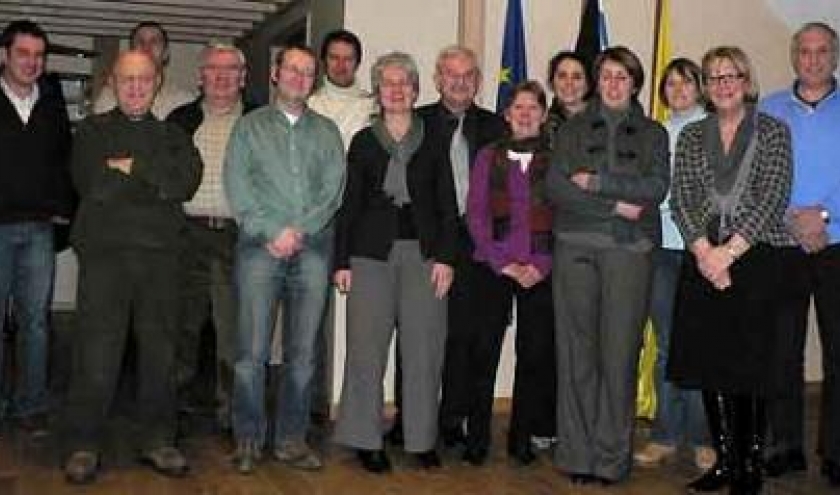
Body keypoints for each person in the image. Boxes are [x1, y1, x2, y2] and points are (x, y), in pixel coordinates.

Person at [62, 49, 203, 484]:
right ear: (113, 83)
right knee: (95, 352)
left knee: (160, 354)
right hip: (105, 258)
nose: (136, 87)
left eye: (144, 79)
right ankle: (83, 443)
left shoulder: (174, 135)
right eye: (127, 79)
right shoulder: (91, 131)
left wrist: (132, 167)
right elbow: (94, 184)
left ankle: (158, 440)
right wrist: (153, 182)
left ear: (157, 82)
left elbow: (185, 182)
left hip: (161, 260)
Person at [668, 46, 792, 495]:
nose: (722, 85)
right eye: (713, 77)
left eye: (730, 75)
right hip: (702, 258)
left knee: (750, 365)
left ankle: (749, 465)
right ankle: (724, 461)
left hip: (755, 259)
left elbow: (773, 196)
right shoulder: (690, 136)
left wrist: (729, 254)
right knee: (711, 362)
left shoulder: (773, 131)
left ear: (746, 80)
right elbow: (681, 198)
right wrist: (706, 252)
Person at [546, 46, 669, 485]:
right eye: (607, 76)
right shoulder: (572, 128)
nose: (614, 84)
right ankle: (576, 455)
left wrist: (597, 183)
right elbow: (557, 187)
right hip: (574, 248)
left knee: (619, 356)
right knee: (576, 355)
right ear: (596, 83)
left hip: (630, 252)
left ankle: (611, 460)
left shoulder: (653, 133)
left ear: (635, 83)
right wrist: (615, 204)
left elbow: (655, 188)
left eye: (623, 76)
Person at [332, 51, 456, 474]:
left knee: (424, 351)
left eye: (404, 82)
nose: (397, 90)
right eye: (388, 83)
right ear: (378, 91)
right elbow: (349, 205)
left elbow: (447, 205)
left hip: (424, 255)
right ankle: (365, 439)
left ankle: (421, 439)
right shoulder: (364, 142)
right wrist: (341, 261)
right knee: (365, 351)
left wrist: (447, 258)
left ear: (416, 89)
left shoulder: (434, 139)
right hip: (370, 256)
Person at [224, 44, 345, 474]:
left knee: (303, 353)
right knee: (251, 353)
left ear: (314, 80)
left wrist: (299, 231)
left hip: (313, 250)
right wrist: (273, 231)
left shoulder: (327, 132)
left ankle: (292, 440)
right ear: (276, 74)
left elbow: (333, 190)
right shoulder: (248, 128)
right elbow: (238, 186)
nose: (298, 77)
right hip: (259, 249)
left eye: (307, 72)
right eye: (291, 69)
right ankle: (248, 439)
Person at [415, 45, 507, 462]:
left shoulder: (497, 126)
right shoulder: (417, 123)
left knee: (481, 340)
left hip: (485, 249)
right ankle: (423, 425)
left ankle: (475, 430)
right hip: (431, 246)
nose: (460, 82)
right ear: (437, 79)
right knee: (430, 340)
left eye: (468, 75)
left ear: (478, 82)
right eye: (451, 74)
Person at [760, 22, 840, 487]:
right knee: (781, 351)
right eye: (805, 51)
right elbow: (757, 174)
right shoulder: (768, 109)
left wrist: (824, 215)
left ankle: (836, 451)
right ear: (794, 57)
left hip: (836, 243)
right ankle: (785, 446)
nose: (813, 59)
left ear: (835, 56)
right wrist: (791, 217)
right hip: (783, 242)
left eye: (822, 51)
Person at [464, 81, 556, 466]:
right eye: (518, 107)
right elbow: (476, 214)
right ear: (507, 114)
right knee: (484, 352)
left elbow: (565, 216)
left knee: (533, 354)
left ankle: (522, 439)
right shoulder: (489, 156)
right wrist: (502, 262)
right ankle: (477, 438)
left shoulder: (557, 159)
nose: (525, 114)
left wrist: (540, 264)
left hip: (540, 269)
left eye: (533, 107)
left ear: (544, 115)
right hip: (494, 265)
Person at [167, 42, 256, 430]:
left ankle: (231, 415)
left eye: (230, 69)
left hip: (235, 238)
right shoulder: (180, 120)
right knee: (181, 327)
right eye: (213, 69)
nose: (221, 76)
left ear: (243, 77)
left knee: (230, 333)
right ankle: (172, 412)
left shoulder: (258, 120)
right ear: (201, 75)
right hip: (185, 234)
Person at [634, 58, 714, 471]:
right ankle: (665, 435)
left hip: (703, 251)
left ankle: (702, 438)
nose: (679, 90)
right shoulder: (655, 132)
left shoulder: (713, 129)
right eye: (671, 84)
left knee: (698, 344)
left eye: (687, 83)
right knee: (666, 344)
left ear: (700, 88)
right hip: (661, 249)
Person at [0, 20, 73, 427]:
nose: (32, 62)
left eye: (39, 55)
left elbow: (64, 156)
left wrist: (61, 206)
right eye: (23, 53)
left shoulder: (51, 100)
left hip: (39, 229)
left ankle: (30, 404)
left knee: (36, 322)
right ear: (4, 55)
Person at [305, 28, 376, 426]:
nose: (341, 64)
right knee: (311, 314)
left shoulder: (373, 106)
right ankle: (312, 401)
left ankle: (353, 405)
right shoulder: (310, 104)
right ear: (323, 61)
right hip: (318, 220)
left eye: (348, 58)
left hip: (362, 222)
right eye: (334, 57)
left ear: (357, 62)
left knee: (363, 319)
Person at [93, 21, 195, 119]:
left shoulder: (182, 101)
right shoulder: (111, 97)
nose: (146, 47)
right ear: (131, 51)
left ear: (165, 53)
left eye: (154, 41)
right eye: (141, 42)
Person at [544, 50, 592, 148]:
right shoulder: (542, 127)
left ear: (588, 84)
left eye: (576, 77)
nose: (569, 83)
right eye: (562, 76)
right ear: (552, 83)